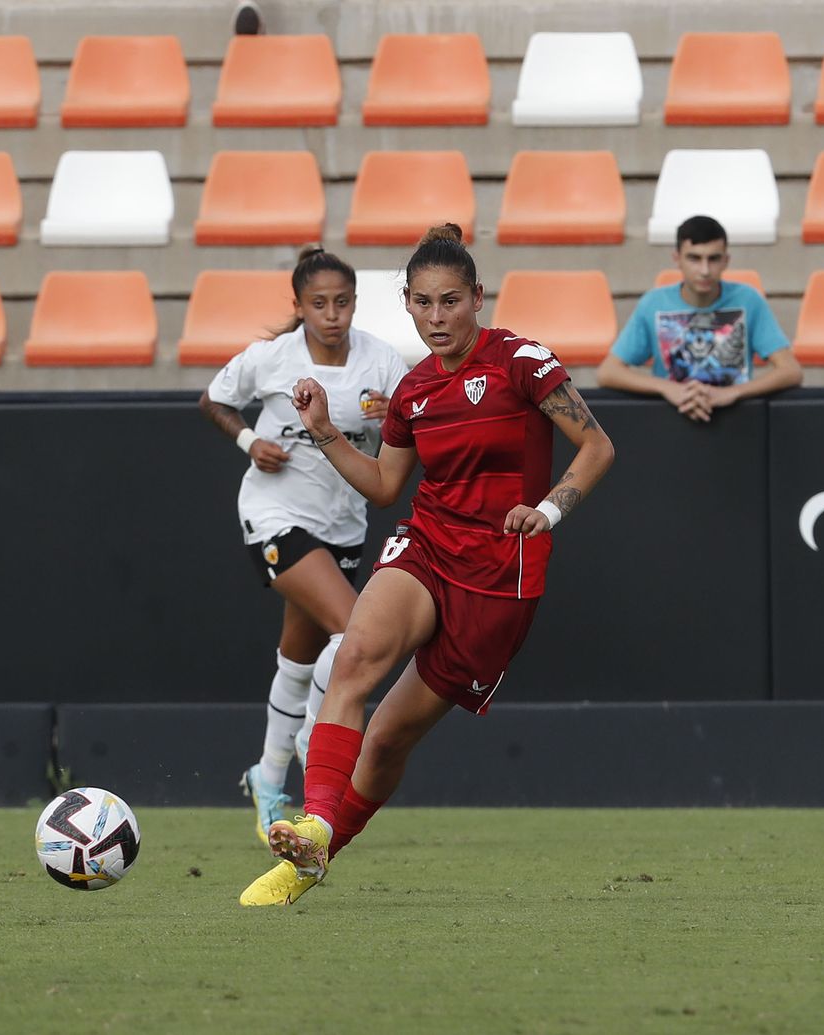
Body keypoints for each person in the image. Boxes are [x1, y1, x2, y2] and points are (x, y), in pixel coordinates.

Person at [239, 224, 615, 906]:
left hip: (501, 576)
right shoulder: (412, 391)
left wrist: (550, 510)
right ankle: (312, 825)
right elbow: (386, 486)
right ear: (406, 304)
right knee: (353, 659)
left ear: (478, 297)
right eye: (422, 303)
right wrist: (324, 428)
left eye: (450, 302)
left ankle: (317, 856)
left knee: (385, 741)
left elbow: (597, 446)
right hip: (429, 544)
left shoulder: (522, 362)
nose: (437, 318)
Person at [201, 246, 411, 846]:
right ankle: (318, 737)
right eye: (318, 304)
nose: (332, 314)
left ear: (354, 304)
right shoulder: (272, 359)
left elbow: (408, 424)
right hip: (275, 515)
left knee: (297, 663)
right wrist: (247, 441)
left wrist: (391, 418)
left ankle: (267, 779)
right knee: (356, 632)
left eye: (342, 302)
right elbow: (212, 399)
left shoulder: (381, 362)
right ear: (298, 307)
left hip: (343, 524)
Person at [596, 214, 801, 422]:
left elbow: (790, 370)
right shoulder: (653, 303)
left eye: (713, 259)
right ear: (677, 259)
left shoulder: (749, 300)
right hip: (671, 418)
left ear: (726, 261)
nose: (704, 270)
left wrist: (733, 392)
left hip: (737, 419)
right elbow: (609, 372)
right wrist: (668, 389)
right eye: (694, 258)